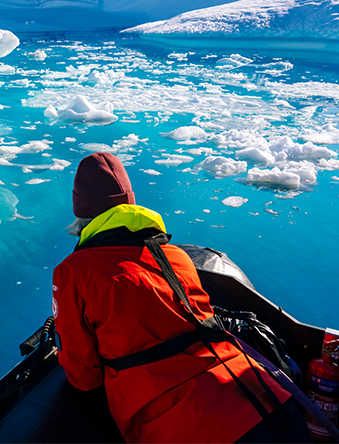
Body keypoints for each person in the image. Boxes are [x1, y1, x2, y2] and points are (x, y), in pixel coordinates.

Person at [52, 152, 311, 443]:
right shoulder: (176, 256)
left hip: (188, 427)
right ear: (130, 204)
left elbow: (83, 375)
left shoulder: (74, 272)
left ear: (81, 213)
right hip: (270, 402)